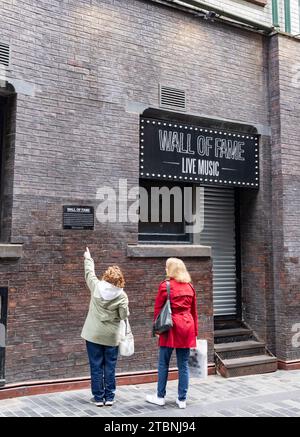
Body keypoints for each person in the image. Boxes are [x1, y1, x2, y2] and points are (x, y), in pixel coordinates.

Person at [146, 257, 198, 409]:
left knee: (163, 363)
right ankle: (182, 400)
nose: (164, 269)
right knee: (183, 365)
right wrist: (195, 332)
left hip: (170, 327)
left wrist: (156, 329)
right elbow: (194, 312)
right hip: (187, 326)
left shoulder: (165, 286)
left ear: (171, 269)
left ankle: (160, 397)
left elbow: (158, 309)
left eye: (166, 266)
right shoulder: (190, 287)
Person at [81, 247, 129, 407]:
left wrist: (88, 257)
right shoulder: (122, 296)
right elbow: (123, 315)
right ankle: (109, 397)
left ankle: (98, 397)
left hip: (93, 335)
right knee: (110, 367)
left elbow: (89, 273)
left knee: (96, 366)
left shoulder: (96, 286)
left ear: (106, 277)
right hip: (111, 337)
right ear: (120, 280)